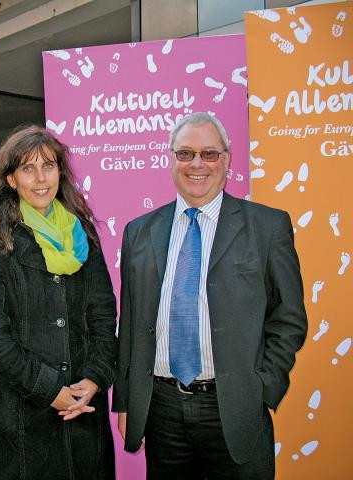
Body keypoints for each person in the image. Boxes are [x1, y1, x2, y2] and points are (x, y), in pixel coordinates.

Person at [113, 112, 308, 479]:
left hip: (234, 408)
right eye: (185, 154)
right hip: (162, 410)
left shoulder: (268, 227)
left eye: (209, 153)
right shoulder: (139, 231)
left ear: (227, 159)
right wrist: (126, 402)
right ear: (171, 159)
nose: (197, 164)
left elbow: (289, 317)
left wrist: (262, 387)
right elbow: (132, 323)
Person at [0, 125, 117, 480]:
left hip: (82, 410)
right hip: (17, 417)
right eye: (28, 169)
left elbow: (103, 314)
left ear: (60, 172)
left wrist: (94, 378)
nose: (40, 178)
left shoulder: (82, 232)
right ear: (11, 179)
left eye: (48, 166)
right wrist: (49, 389)